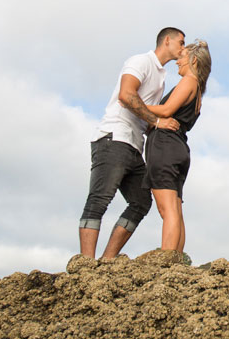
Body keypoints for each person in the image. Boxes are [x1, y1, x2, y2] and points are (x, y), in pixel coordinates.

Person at [77, 27, 185, 258]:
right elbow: (126, 96)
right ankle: (85, 265)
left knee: (141, 202)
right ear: (167, 40)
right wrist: (158, 121)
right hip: (114, 138)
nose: (183, 49)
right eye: (181, 43)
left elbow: (143, 112)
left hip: (135, 146)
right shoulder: (141, 61)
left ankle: (107, 260)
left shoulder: (161, 78)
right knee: (100, 199)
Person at [142, 39, 211, 253]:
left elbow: (166, 110)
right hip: (177, 147)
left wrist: (132, 102)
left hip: (165, 147)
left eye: (181, 58)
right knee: (175, 210)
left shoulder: (189, 81)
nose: (177, 62)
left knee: (167, 210)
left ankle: (165, 261)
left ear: (194, 61)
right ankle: (175, 261)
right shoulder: (198, 89)